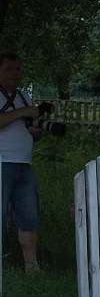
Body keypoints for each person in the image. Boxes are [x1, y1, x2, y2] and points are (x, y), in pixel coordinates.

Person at [0, 52, 43, 272]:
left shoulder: (24, 96)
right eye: (9, 69)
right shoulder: (23, 103)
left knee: (29, 215)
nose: (14, 73)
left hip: (24, 164)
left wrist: (36, 130)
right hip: (2, 163)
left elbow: (31, 131)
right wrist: (24, 112)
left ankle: (31, 266)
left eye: (17, 69)